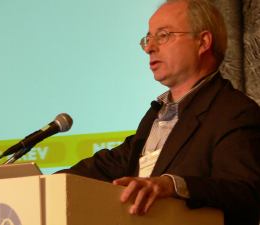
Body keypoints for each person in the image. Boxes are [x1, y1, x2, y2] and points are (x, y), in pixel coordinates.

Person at [57, 0, 260, 224]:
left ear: (203, 42)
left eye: (163, 35)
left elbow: (245, 191)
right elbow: (110, 164)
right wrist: (43, 182)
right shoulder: (157, 114)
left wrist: (172, 185)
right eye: (148, 38)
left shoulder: (235, 112)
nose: (149, 47)